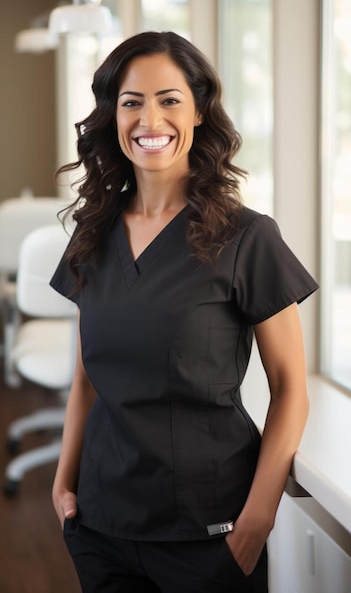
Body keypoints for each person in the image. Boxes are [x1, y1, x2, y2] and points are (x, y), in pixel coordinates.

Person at [51, 31, 318, 593]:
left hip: (209, 530)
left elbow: (291, 386)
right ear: (112, 116)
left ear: (199, 111)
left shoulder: (247, 236)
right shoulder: (92, 233)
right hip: (100, 524)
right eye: (131, 102)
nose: (151, 118)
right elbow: (85, 376)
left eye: (169, 99)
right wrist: (63, 481)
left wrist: (256, 520)